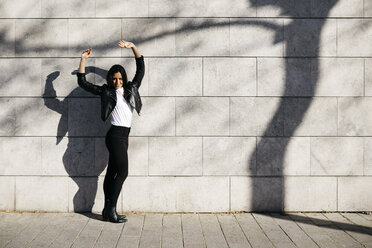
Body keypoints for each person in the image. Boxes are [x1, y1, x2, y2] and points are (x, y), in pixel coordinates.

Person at [76, 40, 145, 223]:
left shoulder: (131, 88)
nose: (117, 81)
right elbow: (83, 83)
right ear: (110, 79)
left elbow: (140, 70)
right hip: (115, 136)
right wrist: (83, 60)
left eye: (120, 78)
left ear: (124, 78)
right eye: (114, 78)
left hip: (124, 136)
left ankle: (107, 212)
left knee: (112, 172)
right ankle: (111, 210)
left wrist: (133, 48)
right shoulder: (106, 92)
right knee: (122, 172)